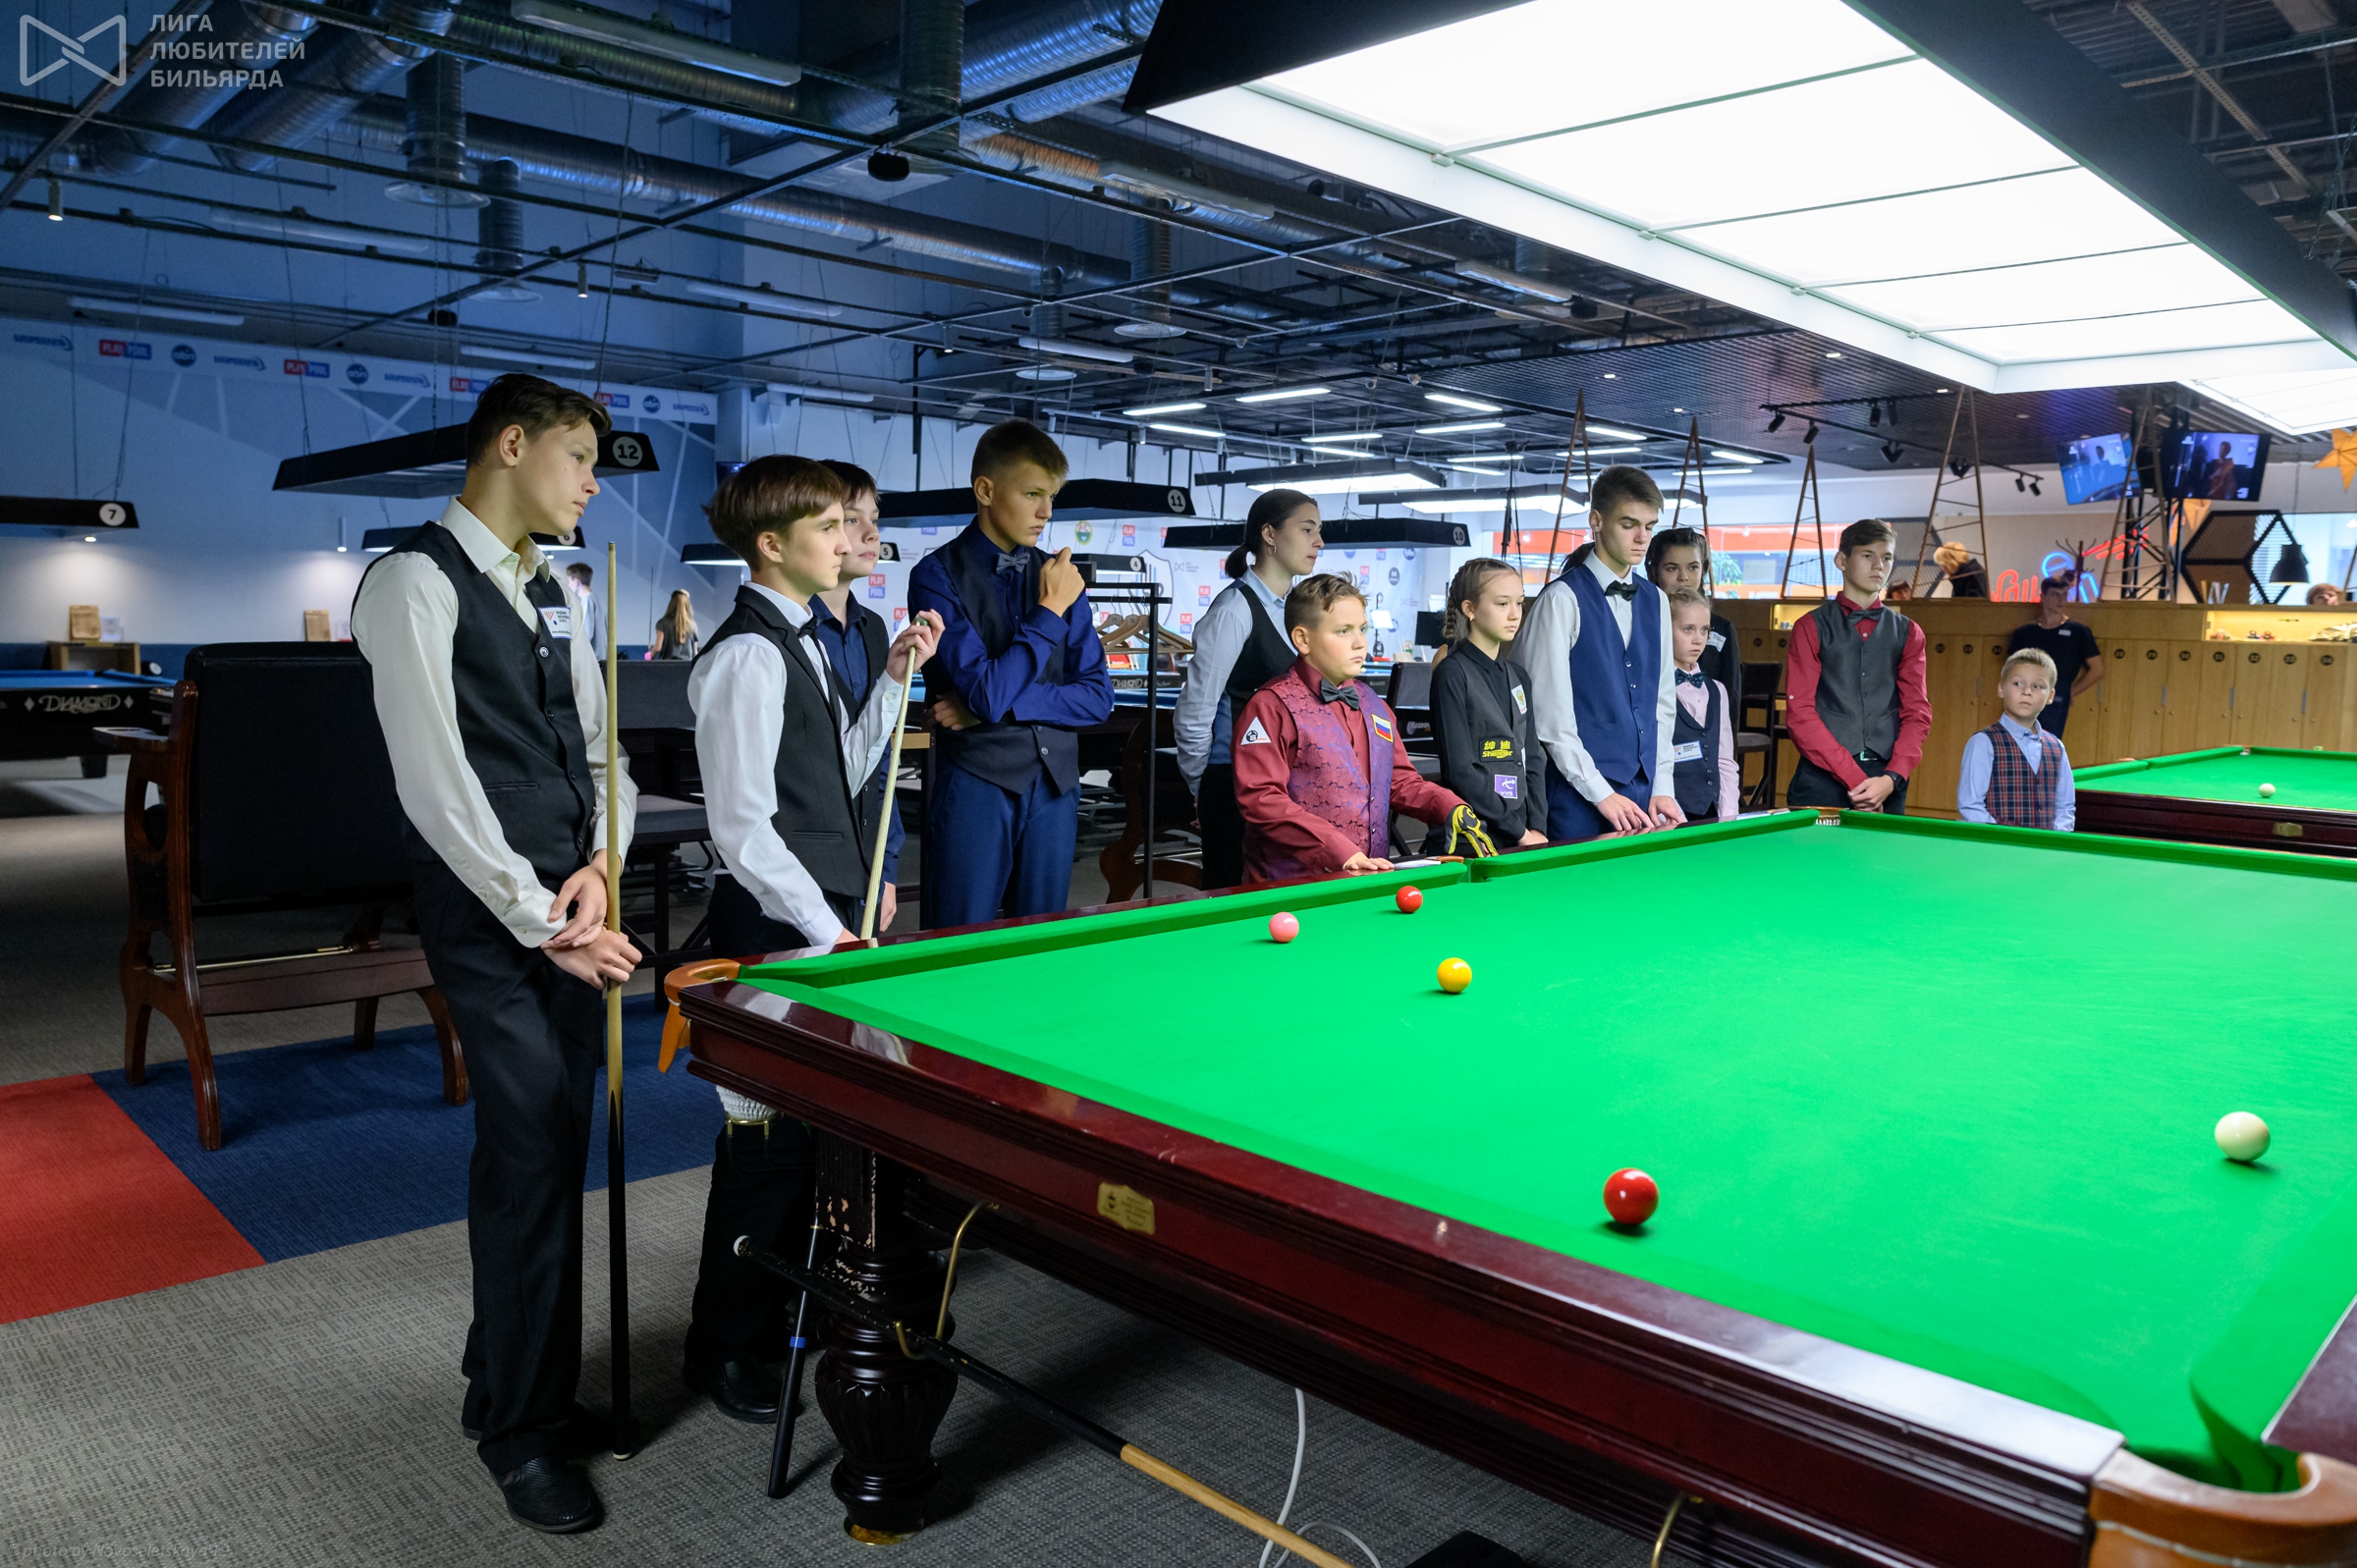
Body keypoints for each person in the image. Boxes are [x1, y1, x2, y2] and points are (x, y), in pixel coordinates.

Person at [350, 373, 640, 1535]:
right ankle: (520, 1432)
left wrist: (603, 864)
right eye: (581, 460)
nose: (593, 486)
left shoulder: (559, 589)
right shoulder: (411, 581)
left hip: (570, 904)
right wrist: (545, 919)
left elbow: (603, 750)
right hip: (491, 915)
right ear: (512, 446)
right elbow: (435, 784)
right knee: (529, 1147)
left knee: (553, 1140)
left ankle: (512, 1373)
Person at [682, 455, 941, 1424]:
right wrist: (829, 928)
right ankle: (723, 1349)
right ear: (772, 544)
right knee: (763, 1150)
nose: (850, 541)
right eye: (830, 527)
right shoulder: (745, 657)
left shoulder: (804, 643)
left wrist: (895, 680)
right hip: (775, 927)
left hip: (818, 920)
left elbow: (842, 771)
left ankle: (778, 1321)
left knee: (809, 1137)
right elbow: (742, 830)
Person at [906, 418, 1114, 926]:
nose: (1046, 512)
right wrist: (1050, 610)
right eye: (1032, 494)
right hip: (976, 782)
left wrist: (992, 709)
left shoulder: (1061, 576)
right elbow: (985, 692)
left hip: (1057, 787)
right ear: (985, 490)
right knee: (958, 944)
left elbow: (1097, 698)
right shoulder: (934, 575)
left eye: (1051, 497)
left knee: (1039, 947)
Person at [1233, 573, 1488, 879]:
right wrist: (1340, 850)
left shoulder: (1373, 704)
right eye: (1343, 631)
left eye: (1362, 629)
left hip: (1370, 882)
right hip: (1293, 889)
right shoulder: (1270, 707)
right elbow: (1262, 800)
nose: (1359, 642)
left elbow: (1399, 781)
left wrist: (1448, 805)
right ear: (1303, 640)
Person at [1518, 464, 1682, 842]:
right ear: (1596, 521)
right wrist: (1600, 793)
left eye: (1650, 526)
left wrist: (1662, 784)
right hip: (1575, 798)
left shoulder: (1657, 599)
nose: (1642, 538)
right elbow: (1550, 720)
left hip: (1644, 796)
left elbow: (1662, 704)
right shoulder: (1561, 600)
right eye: (1629, 524)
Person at [1175, 488, 1324, 888]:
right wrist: (1203, 787)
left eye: (1318, 531)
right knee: (1232, 898)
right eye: (1307, 529)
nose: (1319, 542)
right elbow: (1195, 710)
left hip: (1283, 780)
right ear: (1269, 534)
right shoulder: (1233, 610)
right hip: (1233, 782)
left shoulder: (1296, 610)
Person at [810, 459, 905, 933]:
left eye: (874, 518)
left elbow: (881, 756)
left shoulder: (874, 629)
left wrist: (886, 866)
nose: (872, 534)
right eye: (851, 519)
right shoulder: (787, 632)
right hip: (805, 861)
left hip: (865, 853)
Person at [1784, 519, 1932, 815]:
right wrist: (1857, 781)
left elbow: (1917, 714)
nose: (1879, 565)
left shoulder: (1909, 632)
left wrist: (1891, 778)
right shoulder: (1810, 627)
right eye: (1867, 555)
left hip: (1887, 782)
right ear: (1842, 560)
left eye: (1887, 557)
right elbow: (1800, 715)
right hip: (1821, 779)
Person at [1428, 557, 1547, 847]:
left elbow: (1533, 757)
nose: (1515, 614)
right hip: (1475, 835)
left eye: (1519, 603)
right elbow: (1460, 772)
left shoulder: (1519, 676)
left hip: (1526, 832)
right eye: (1502, 604)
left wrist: (1538, 827)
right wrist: (1520, 833)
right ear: (1470, 609)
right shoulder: (1452, 673)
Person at [1957, 649, 2075, 832]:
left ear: (2050, 696)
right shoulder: (1984, 742)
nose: (2027, 692)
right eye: (2017, 683)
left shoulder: (2057, 747)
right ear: (2001, 689)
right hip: (1998, 844)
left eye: (2037, 686)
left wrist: (2057, 838)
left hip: (2045, 846)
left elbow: (2065, 807)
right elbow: (1971, 806)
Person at [1644, 524, 1744, 730]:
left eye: (1692, 567)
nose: (1684, 577)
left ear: (1704, 570)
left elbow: (1731, 700)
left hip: (1708, 736)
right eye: (1671, 568)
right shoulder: (1641, 623)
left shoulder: (1722, 629)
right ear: (1654, 571)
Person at [1665, 590, 1740, 825]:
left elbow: (1725, 760)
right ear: (1664, 629)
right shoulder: (1654, 688)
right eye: (1688, 629)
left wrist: (1728, 816)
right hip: (1670, 816)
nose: (1698, 639)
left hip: (1713, 811)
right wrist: (1676, 820)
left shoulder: (1718, 690)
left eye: (1704, 630)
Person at [2005, 572, 2105, 736]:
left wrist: (2071, 692)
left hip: (2056, 691)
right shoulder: (2025, 632)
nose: (2061, 600)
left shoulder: (2078, 632)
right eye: (2055, 594)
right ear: (2043, 597)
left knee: (2047, 743)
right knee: (2018, 741)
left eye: (2064, 595)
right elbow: (2011, 668)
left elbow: (2097, 669)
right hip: (2027, 691)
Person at [565, 561, 606, 658]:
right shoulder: (597, 600)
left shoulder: (588, 600)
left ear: (576, 581)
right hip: (601, 657)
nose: (569, 585)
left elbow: (586, 633)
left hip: (592, 658)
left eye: (570, 581)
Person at [648, 589, 698, 660]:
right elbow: (695, 652)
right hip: (687, 665)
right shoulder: (692, 625)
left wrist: (650, 656)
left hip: (667, 664)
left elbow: (658, 648)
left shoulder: (662, 623)